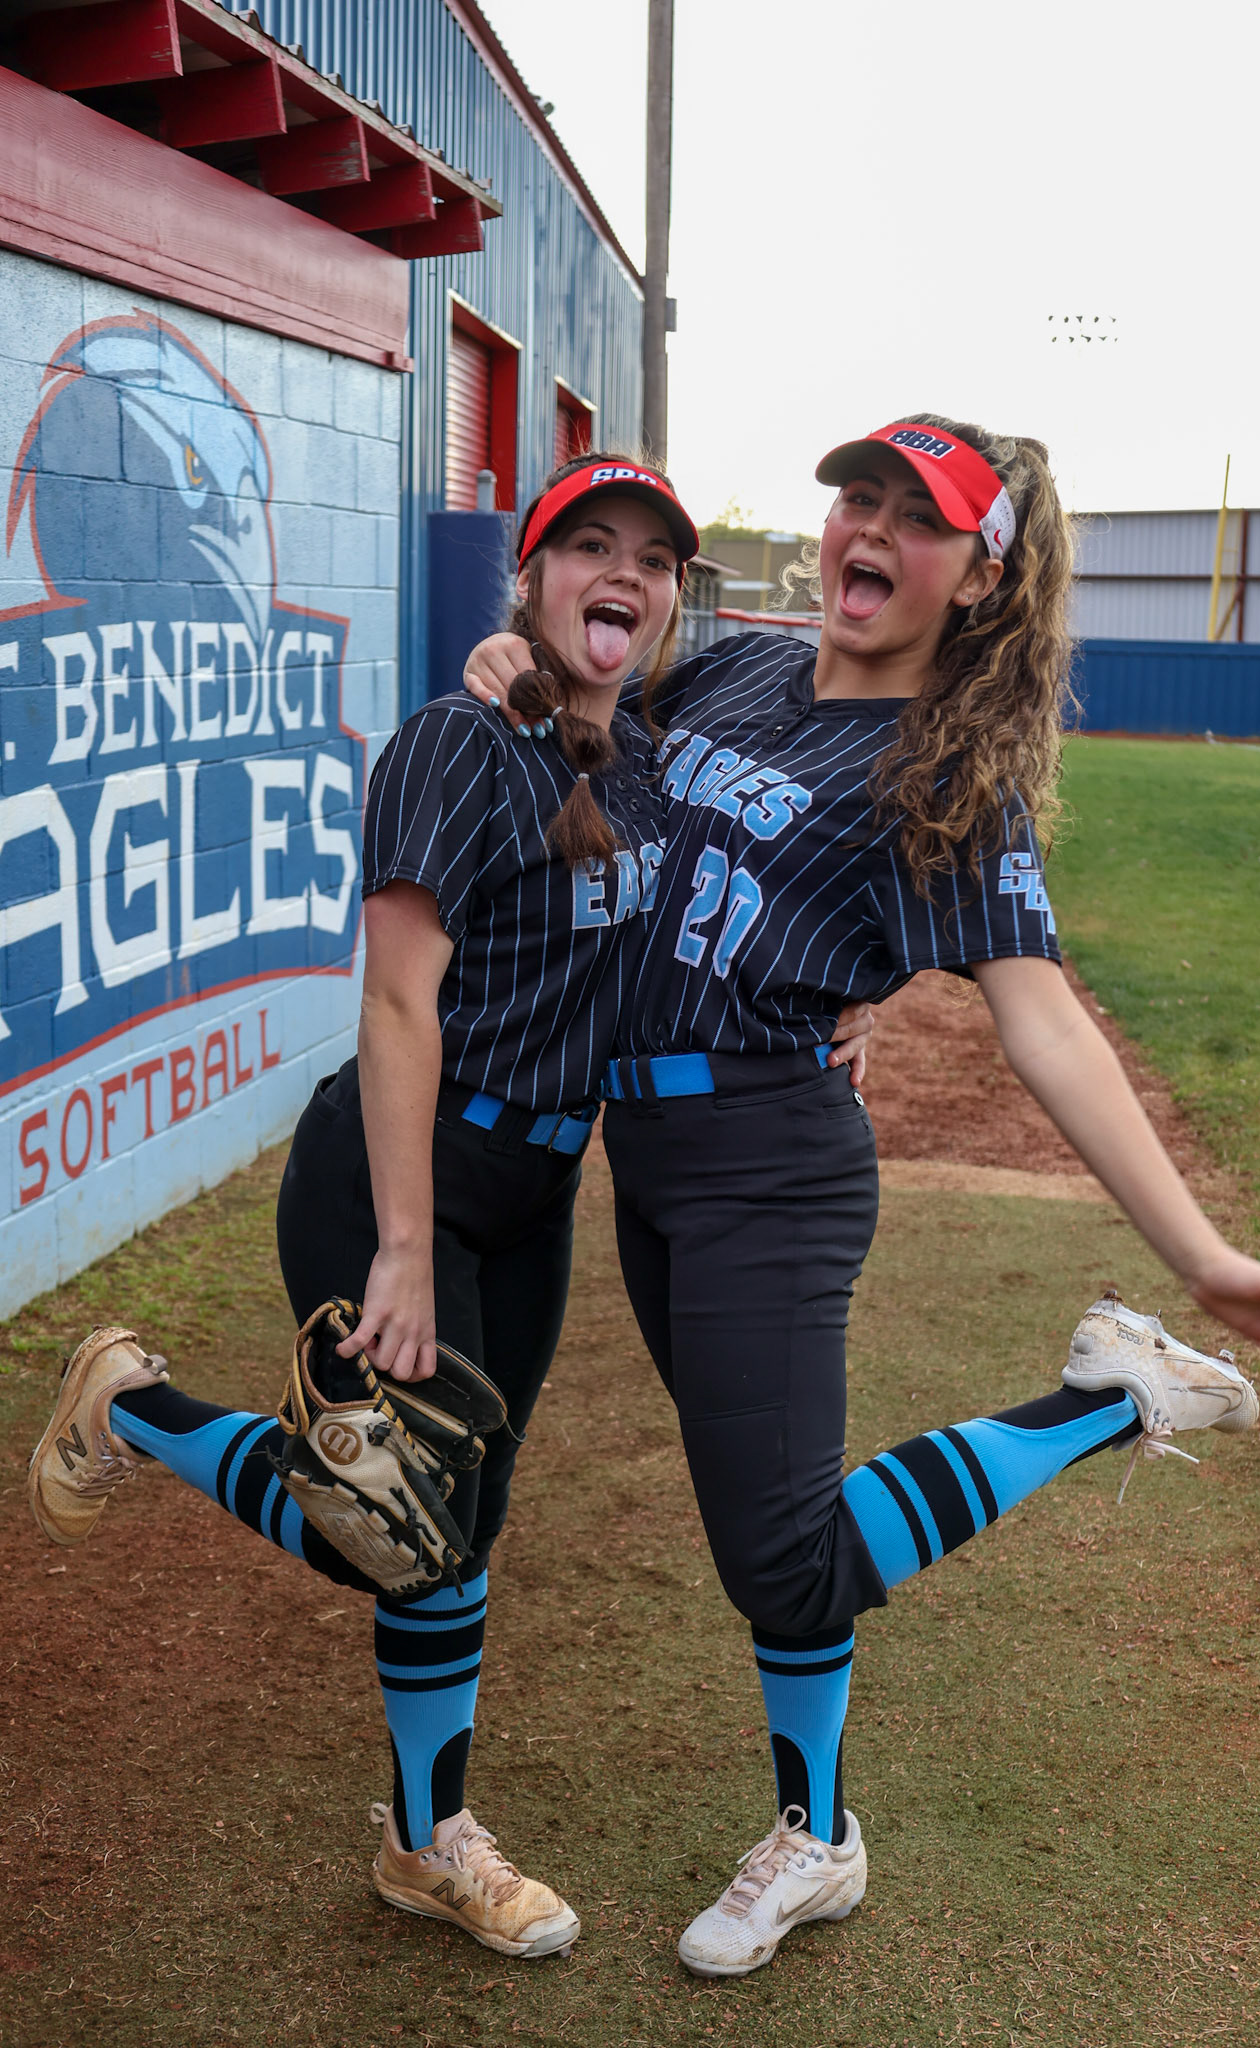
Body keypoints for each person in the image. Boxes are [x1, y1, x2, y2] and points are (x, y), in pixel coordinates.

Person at [462, 415, 1260, 1979]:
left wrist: (1202, 1250)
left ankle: (1115, 1395)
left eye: (915, 519)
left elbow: (1043, 1021)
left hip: (770, 1170)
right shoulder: (736, 666)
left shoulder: (946, 777)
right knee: (774, 1534)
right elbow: (585, 690)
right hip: (651, 1159)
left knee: (787, 1554)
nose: (863, 532)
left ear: (980, 577)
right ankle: (813, 1836)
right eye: (855, 501)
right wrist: (509, 666)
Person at [26, 453, 870, 1958]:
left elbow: (769, 864)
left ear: (677, 598)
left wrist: (834, 1005)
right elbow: (396, 1007)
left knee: (452, 1527)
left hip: (536, 1188)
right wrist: (402, 1248)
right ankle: (137, 1411)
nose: (623, 573)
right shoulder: (453, 742)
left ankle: (423, 1849)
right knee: (387, 1523)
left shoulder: (663, 754)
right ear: (529, 578)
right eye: (584, 548)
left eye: (654, 560)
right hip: (395, 1171)